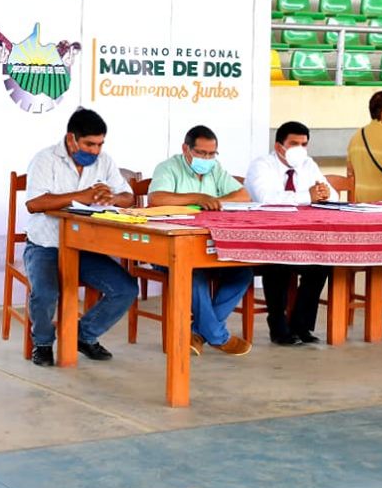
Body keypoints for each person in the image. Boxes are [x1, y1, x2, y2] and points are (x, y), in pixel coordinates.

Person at [24, 107, 138, 367]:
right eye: (90, 144)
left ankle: (83, 335)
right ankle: (41, 342)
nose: (96, 151)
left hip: (85, 247)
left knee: (125, 289)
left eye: (100, 144)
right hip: (45, 244)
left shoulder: (105, 161)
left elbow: (128, 197)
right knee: (45, 293)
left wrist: (113, 198)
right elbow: (34, 203)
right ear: (71, 138)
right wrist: (82, 195)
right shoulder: (45, 159)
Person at [147, 125, 253, 356]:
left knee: (242, 272)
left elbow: (243, 195)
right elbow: (156, 198)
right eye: (201, 153)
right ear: (186, 149)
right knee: (192, 273)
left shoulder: (215, 169)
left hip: (209, 245)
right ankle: (218, 336)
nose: (206, 158)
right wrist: (198, 198)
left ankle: (198, 333)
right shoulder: (168, 167)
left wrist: (216, 200)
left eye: (211, 154)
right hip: (169, 247)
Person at [245, 121, 336, 345]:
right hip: (265, 240)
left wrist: (325, 193)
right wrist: (308, 196)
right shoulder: (262, 165)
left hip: (302, 238)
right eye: (294, 144)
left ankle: (301, 326)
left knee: (322, 263)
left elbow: (330, 194)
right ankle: (278, 327)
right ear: (279, 147)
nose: (300, 149)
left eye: (304, 144)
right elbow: (265, 198)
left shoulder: (308, 164)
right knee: (278, 263)